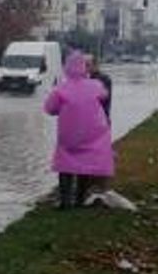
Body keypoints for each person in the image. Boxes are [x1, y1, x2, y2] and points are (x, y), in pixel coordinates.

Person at [44, 51, 114, 208]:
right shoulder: (95, 85)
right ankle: (79, 200)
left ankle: (65, 201)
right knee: (84, 166)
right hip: (92, 134)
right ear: (84, 67)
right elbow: (104, 95)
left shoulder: (61, 88)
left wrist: (64, 108)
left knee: (65, 167)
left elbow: (49, 108)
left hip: (68, 135)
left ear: (66, 67)